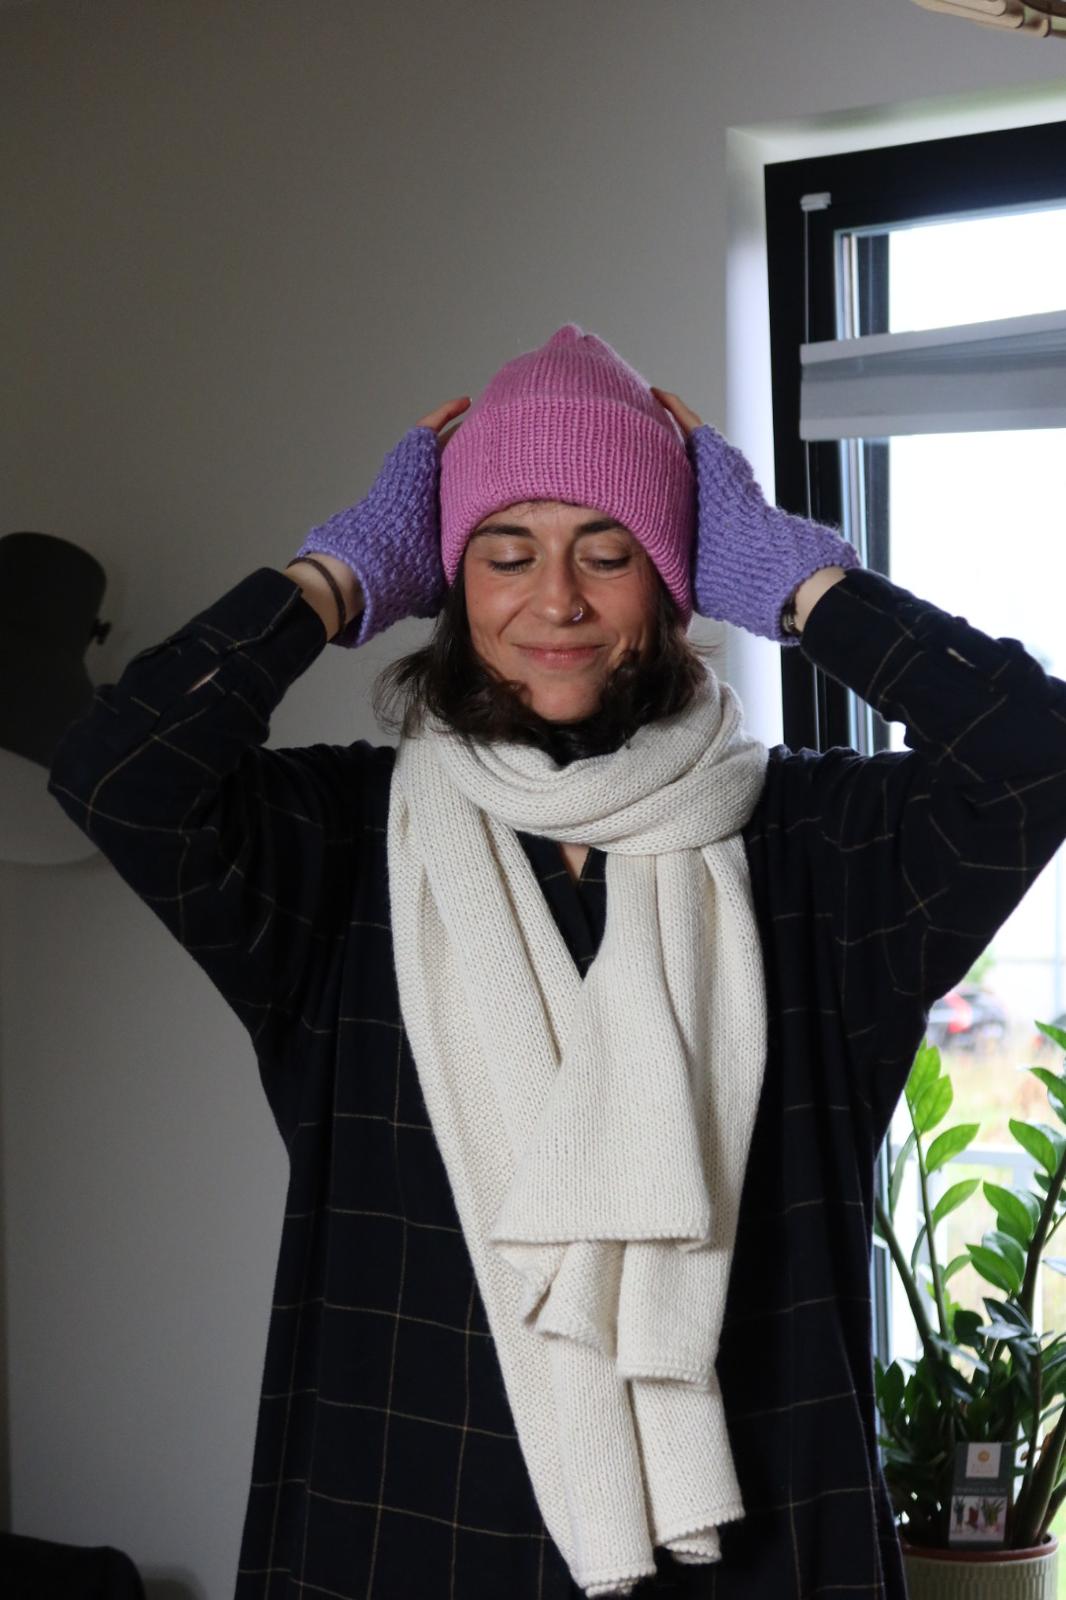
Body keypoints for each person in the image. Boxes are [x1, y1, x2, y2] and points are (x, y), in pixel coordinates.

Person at [48, 324, 1066, 1599]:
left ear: (680, 576)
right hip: (401, 1519)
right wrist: (332, 575)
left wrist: (804, 583)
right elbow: (117, 776)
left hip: (747, 1532)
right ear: (447, 579)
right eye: (504, 550)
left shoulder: (818, 845)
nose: (557, 601)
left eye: (611, 549)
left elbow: (1036, 752)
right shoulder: (339, 848)